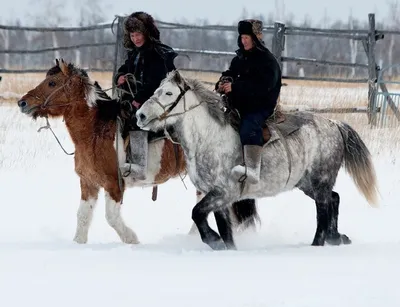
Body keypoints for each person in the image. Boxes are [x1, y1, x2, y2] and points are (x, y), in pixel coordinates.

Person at [215, 19, 282, 184]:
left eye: (247, 37)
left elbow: (264, 86)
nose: (244, 41)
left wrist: (235, 87)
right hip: (238, 105)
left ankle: (252, 169)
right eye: (242, 37)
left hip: (260, 106)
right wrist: (223, 82)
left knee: (248, 127)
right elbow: (231, 72)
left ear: (256, 37)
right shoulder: (239, 58)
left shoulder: (268, 61)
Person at [114, 11, 178, 180]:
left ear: (146, 33)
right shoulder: (134, 53)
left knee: (137, 121)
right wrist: (119, 77)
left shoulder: (156, 55)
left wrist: (138, 101)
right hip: (133, 98)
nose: (136, 39)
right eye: (132, 35)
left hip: (153, 100)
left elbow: (154, 82)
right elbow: (124, 69)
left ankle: (139, 165)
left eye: (138, 34)